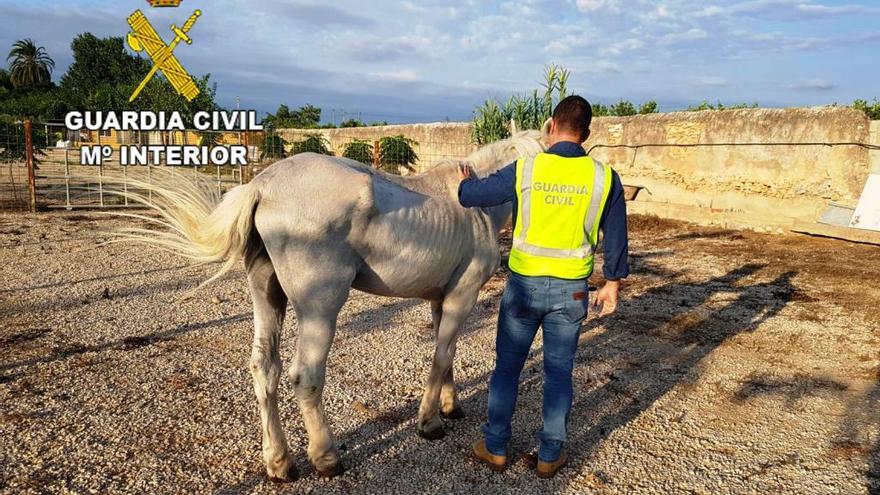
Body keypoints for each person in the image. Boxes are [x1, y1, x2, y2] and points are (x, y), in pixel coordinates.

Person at [458, 95, 629, 478]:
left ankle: (496, 446)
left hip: (523, 288)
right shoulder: (604, 177)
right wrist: (612, 284)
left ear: (551, 126)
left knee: (507, 368)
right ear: (586, 133)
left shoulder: (527, 169)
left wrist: (466, 183)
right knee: (558, 372)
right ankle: (550, 454)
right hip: (572, 291)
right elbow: (617, 238)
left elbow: (471, 196)